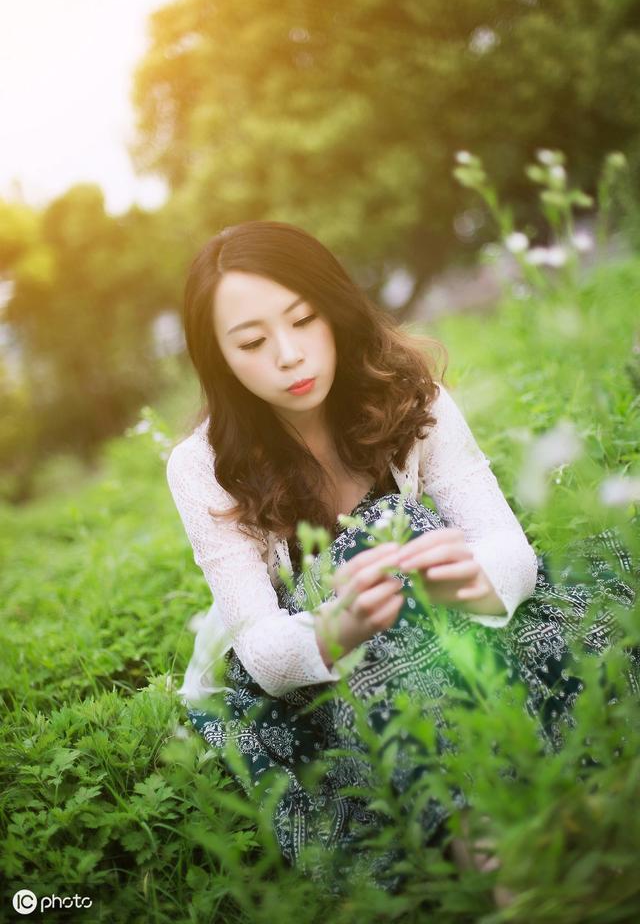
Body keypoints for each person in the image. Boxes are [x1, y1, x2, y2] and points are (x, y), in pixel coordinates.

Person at [166, 220, 638, 899]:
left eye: (303, 320)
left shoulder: (409, 396)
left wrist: (475, 581)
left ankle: (576, 803)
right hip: (325, 677)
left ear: (334, 308)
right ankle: (497, 850)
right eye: (252, 342)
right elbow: (266, 650)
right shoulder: (202, 465)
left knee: (417, 541)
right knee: (373, 545)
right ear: (218, 358)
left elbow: (507, 548)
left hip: (461, 628)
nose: (290, 356)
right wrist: (341, 624)